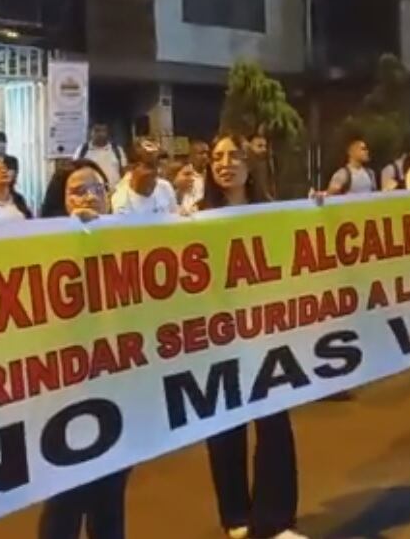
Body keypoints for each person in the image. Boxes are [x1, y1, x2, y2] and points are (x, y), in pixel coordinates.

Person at [201, 133, 306, 539]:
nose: (225, 163)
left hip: (267, 336)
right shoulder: (191, 217)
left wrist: (320, 214)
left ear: (250, 165)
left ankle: (277, 518)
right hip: (215, 340)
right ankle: (236, 517)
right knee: (225, 427)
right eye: (217, 156)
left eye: (234, 155)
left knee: (274, 423)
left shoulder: (274, 214)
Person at [37, 158, 130, 539]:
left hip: (119, 386)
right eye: (77, 190)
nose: (90, 196)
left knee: (111, 495)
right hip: (66, 393)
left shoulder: (133, 238)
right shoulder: (39, 245)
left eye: (97, 188)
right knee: (66, 497)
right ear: (62, 201)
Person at [110, 138, 179, 216]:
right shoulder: (121, 197)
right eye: (147, 166)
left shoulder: (165, 187)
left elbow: (175, 218)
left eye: (155, 166)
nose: (152, 175)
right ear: (131, 168)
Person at [74, 123, 126, 192]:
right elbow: (75, 172)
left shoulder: (117, 149)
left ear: (107, 132)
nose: (100, 134)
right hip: (90, 195)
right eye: (97, 130)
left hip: (115, 195)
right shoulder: (82, 150)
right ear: (90, 132)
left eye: (103, 131)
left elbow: (124, 172)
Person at [180, 138, 210, 212]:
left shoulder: (213, 175)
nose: (205, 156)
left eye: (207, 153)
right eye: (201, 153)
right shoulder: (182, 174)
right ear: (191, 157)